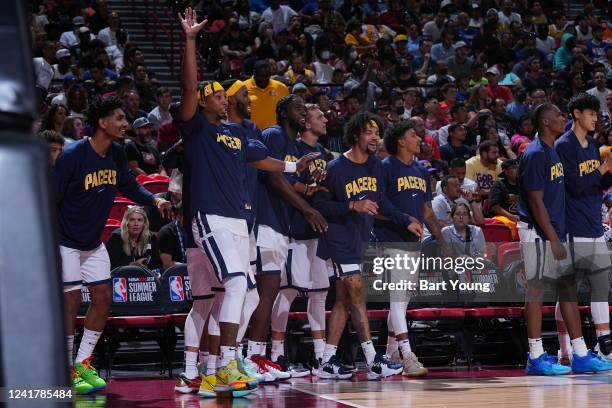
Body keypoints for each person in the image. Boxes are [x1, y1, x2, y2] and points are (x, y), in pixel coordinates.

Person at [55, 96, 171, 395]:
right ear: (102, 122)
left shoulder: (117, 153)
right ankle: (65, 368)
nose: (125, 123)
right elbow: (51, 198)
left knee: (104, 298)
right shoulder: (72, 155)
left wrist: (154, 198)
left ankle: (83, 363)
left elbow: (129, 186)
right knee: (69, 305)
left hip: (93, 243)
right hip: (64, 240)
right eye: (119, 118)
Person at [177, 8, 259, 397]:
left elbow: (266, 161)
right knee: (233, 285)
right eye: (219, 96)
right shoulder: (196, 130)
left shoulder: (236, 134)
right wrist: (191, 40)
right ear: (206, 103)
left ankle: (218, 369)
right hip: (210, 218)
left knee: (239, 291)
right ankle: (222, 365)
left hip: (238, 221)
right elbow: (190, 90)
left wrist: (298, 165)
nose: (224, 101)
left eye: (227, 97)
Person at [313, 112, 411, 380]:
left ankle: (327, 361)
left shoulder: (376, 166)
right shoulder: (335, 169)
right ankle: (372, 359)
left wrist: (406, 220)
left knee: (344, 302)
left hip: (359, 239)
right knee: (357, 294)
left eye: (378, 132)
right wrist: (352, 205)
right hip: (338, 238)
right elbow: (319, 206)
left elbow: (383, 203)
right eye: (369, 132)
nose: (375, 137)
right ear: (355, 134)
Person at [518, 103, 608, 376]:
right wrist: (554, 239)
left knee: (567, 290)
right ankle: (535, 355)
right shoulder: (534, 154)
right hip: (537, 230)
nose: (562, 119)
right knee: (535, 291)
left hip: (555, 231)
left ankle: (580, 353)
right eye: (558, 116)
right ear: (545, 122)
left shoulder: (551, 152)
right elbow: (535, 202)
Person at [246, 94, 327, 377]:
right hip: (264, 222)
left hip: (281, 227)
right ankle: (252, 358)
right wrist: (307, 209)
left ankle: (255, 358)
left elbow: (292, 183)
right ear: (282, 112)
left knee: (266, 294)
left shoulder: (293, 146)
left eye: (306, 108)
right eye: (297, 108)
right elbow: (272, 177)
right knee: (264, 293)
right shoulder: (274, 134)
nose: (303, 112)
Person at [377, 121, 449, 377]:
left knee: (403, 301)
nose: (419, 139)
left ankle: (391, 353)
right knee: (397, 299)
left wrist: (442, 241)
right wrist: (404, 219)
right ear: (400, 142)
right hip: (390, 239)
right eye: (412, 135)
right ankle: (408, 355)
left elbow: (427, 210)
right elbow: (379, 203)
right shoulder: (384, 167)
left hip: (414, 242)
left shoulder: (420, 170)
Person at [269, 103, 332, 374]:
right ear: (306, 124)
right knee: (288, 291)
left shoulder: (327, 154)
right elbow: (280, 178)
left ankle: (321, 357)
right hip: (294, 228)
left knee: (320, 293)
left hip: (317, 230)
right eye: (319, 117)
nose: (324, 119)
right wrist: (307, 187)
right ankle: (277, 354)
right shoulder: (293, 148)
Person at [554, 93, 612, 364]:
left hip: (594, 223)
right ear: (577, 113)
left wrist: (608, 172)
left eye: (597, 115)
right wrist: (602, 169)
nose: (595, 119)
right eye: (591, 114)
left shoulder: (593, 144)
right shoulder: (563, 145)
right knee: (570, 291)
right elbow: (574, 186)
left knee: (601, 287)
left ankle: (604, 345)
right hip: (573, 225)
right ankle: (565, 348)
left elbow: (597, 185)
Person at [106, 206, 161, 270]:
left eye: (140, 220)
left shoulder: (151, 237)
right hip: (122, 277)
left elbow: (158, 263)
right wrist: (132, 265)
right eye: (132, 220)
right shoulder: (116, 237)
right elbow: (110, 265)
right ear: (126, 223)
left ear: (144, 223)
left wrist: (155, 271)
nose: (136, 224)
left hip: (146, 277)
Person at [245, 59, 290, 129]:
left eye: (267, 76)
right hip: (252, 132)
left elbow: (287, 110)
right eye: (261, 76)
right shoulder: (243, 87)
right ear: (254, 73)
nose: (264, 79)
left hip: (275, 132)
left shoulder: (281, 87)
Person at [157, 204, 187, 270]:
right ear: (179, 216)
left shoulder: (201, 229)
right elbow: (167, 264)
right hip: (175, 274)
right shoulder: (167, 232)